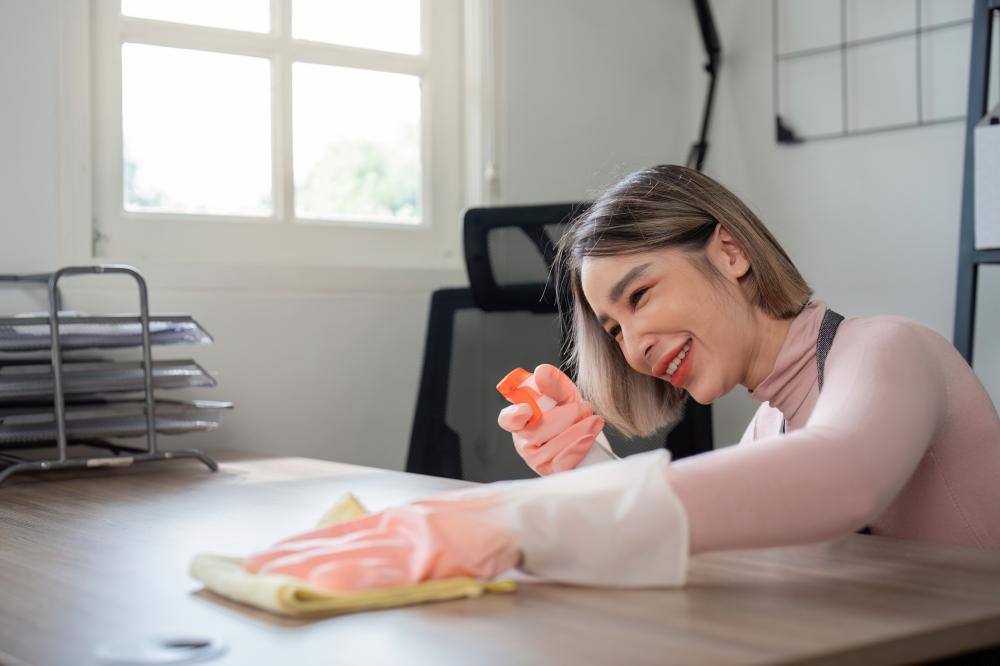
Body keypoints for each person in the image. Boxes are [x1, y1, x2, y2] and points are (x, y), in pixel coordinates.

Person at [246, 165, 1000, 593]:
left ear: (731, 252)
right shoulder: (772, 423)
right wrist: (586, 465)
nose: (634, 347)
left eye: (639, 296)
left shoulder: (892, 348)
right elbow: (720, 542)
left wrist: (509, 518)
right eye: (612, 329)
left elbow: (843, 476)